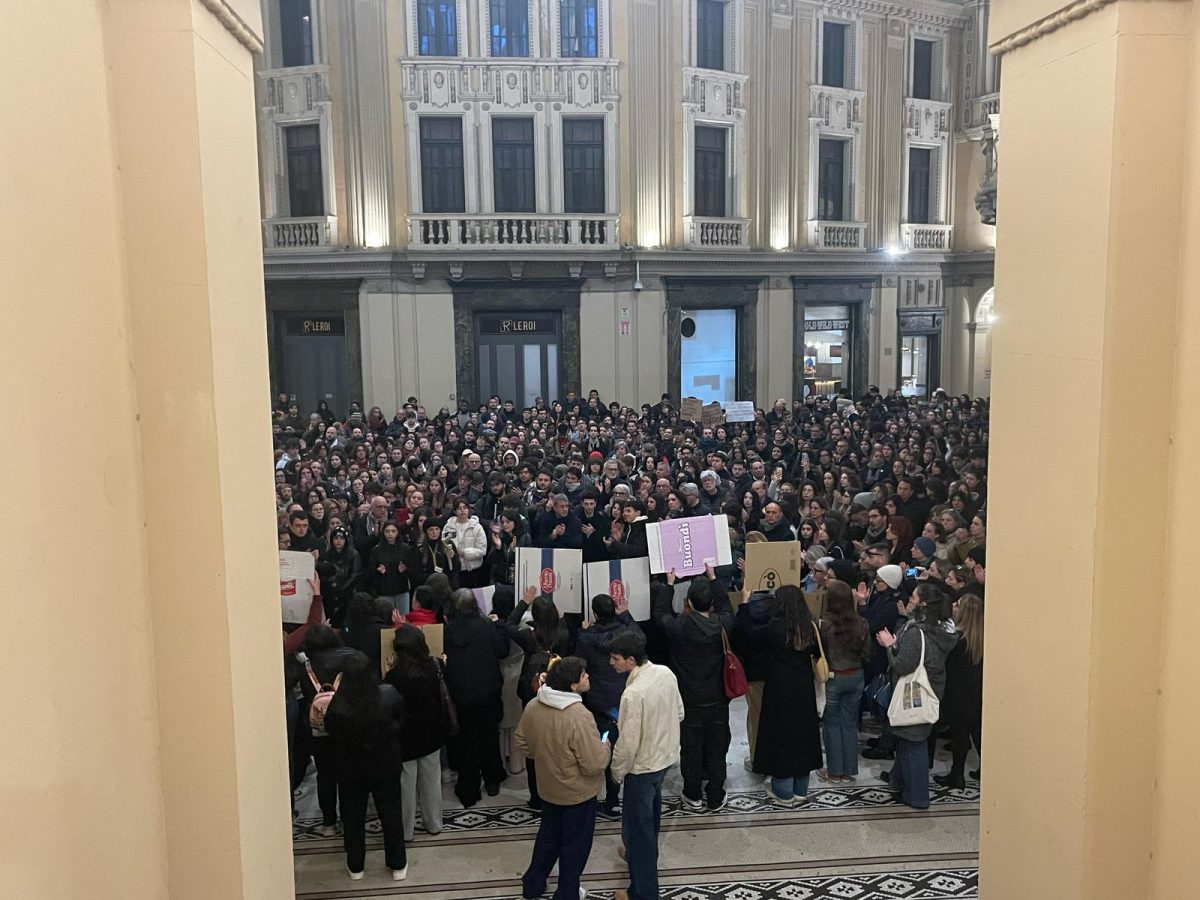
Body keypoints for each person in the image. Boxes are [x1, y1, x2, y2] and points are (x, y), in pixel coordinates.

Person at [514, 656, 611, 900]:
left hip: (548, 788)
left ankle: (533, 884)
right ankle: (567, 892)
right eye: (584, 675)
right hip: (577, 793)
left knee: (547, 837)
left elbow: (522, 741)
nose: (588, 677)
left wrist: (544, 756)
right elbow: (594, 764)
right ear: (573, 685)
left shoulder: (534, 705)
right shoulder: (578, 715)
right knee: (574, 846)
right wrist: (606, 747)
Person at [608, 629, 684, 900]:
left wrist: (616, 771)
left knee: (639, 829)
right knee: (650, 818)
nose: (611, 663)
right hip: (664, 759)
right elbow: (679, 712)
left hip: (641, 767)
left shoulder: (633, 693)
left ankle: (642, 892)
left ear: (631, 660)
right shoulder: (665, 673)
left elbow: (628, 744)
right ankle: (636, 855)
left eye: (615, 658)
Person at [652, 563, 733, 812]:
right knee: (718, 748)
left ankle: (693, 794)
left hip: (689, 699)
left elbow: (660, 614)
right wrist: (714, 578)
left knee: (691, 748)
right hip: (718, 697)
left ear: (688, 602)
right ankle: (716, 795)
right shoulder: (722, 625)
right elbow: (727, 607)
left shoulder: (680, 628)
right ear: (711, 604)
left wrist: (668, 585)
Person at [734, 585, 824, 805]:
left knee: (781, 738)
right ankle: (801, 789)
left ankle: (783, 791)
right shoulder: (810, 627)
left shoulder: (773, 629)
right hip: (804, 689)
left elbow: (744, 638)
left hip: (779, 690)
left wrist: (744, 605)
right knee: (803, 737)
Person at [323, 653, 408, 881]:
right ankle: (398, 864)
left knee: (352, 818)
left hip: (351, 768)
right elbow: (401, 719)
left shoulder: (338, 703)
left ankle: (356, 866)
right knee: (391, 814)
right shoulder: (388, 694)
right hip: (386, 764)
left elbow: (331, 730)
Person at [875, 580, 957, 809]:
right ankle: (898, 782)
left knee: (913, 743)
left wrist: (889, 646)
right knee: (908, 740)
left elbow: (903, 666)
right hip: (932, 687)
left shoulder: (917, 632)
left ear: (922, 604)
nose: (908, 601)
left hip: (914, 693)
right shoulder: (941, 628)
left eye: (912, 598)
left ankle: (917, 796)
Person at [443, 589, 510, 807]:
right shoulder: (485, 625)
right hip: (488, 690)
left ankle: (469, 788)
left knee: (466, 742)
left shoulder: (448, 630)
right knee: (489, 736)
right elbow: (502, 650)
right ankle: (492, 780)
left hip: (461, 693)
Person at [575, 592, 638, 818]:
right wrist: (626, 614)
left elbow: (580, 664)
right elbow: (640, 636)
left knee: (605, 746)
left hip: (600, 702)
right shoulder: (626, 633)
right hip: (625, 698)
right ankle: (625, 795)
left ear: (594, 614)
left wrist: (584, 631)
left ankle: (610, 800)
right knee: (628, 744)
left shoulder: (586, 638)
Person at [383, 625, 447, 841]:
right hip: (431, 733)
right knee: (431, 782)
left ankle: (406, 831)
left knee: (405, 787)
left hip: (404, 737)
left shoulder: (394, 676)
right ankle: (434, 823)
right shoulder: (435, 666)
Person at [297, 625, 359, 837]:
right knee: (349, 774)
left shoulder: (307, 667)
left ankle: (329, 823)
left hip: (319, 729)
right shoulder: (350, 658)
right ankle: (351, 820)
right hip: (347, 725)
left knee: (325, 775)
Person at [817, 581, 872, 784]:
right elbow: (868, 653)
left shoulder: (823, 625)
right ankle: (848, 771)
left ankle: (834, 771)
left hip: (833, 677)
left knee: (831, 725)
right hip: (856, 676)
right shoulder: (862, 623)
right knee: (849, 724)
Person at [934, 593, 984, 788]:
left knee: (960, 736)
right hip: (976, 693)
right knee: (977, 733)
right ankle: (985, 769)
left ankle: (957, 774)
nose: (953, 606)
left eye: (957, 605)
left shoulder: (956, 640)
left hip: (956, 693)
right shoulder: (980, 639)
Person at [443, 499, 488, 588]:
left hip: (472, 571)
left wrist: (464, 552)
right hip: (454, 570)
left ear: (469, 510)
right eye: (459, 508)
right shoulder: (448, 527)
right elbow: (444, 544)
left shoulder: (477, 527)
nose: (462, 511)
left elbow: (482, 550)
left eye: (465, 508)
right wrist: (450, 552)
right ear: (455, 511)